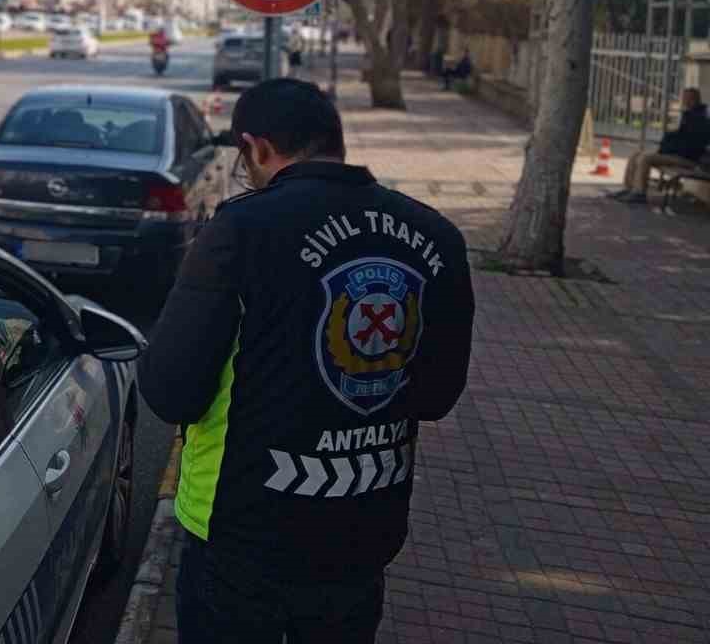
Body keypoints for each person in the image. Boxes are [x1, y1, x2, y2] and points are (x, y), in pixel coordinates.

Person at [139, 78, 475, 644]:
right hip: (364, 526)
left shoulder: (241, 231)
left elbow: (171, 390)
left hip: (244, 528)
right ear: (336, 141)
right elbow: (438, 394)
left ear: (258, 147)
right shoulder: (436, 235)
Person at [612, 87, 710, 204]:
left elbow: (690, 144)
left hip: (687, 158)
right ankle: (628, 189)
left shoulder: (700, 118)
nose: (683, 101)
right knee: (636, 155)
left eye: (685, 98)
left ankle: (639, 193)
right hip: (677, 154)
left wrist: (667, 148)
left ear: (693, 100)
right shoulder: (690, 115)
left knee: (645, 158)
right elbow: (679, 136)